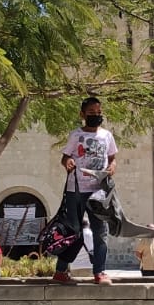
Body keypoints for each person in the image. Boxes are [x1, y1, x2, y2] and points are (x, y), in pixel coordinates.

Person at [53, 95, 117, 286]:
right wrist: (69, 162)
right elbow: (64, 158)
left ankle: (100, 272)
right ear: (82, 114)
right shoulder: (75, 136)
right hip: (76, 190)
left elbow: (112, 158)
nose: (96, 116)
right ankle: (61, 271)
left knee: (100, 231)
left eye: (98, 113)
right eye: (91, 113)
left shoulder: (107, 136)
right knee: (73, 231)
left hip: (99, 191)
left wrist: (112, 167)